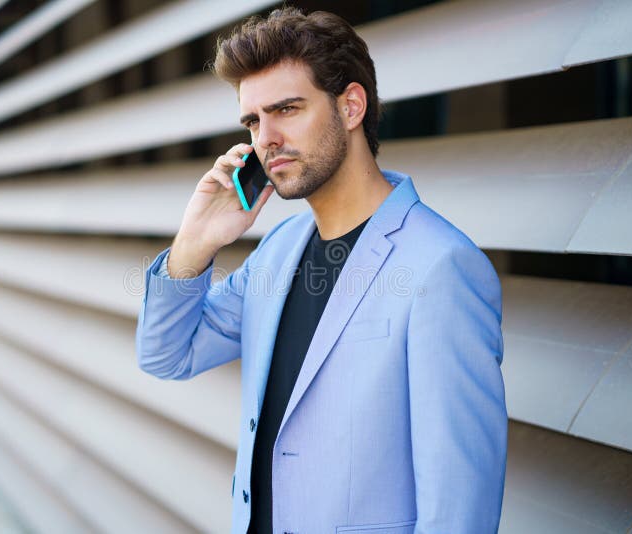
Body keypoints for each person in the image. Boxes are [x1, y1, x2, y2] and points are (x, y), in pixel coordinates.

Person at [136, 7, 507, 534]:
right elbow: (167, 355)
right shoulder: (279, 251)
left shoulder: (442, 266)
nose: (266, 138)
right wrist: (195, 243)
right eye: (253, 120)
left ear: (351, 106)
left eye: (286, 109)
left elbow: (458, 508)